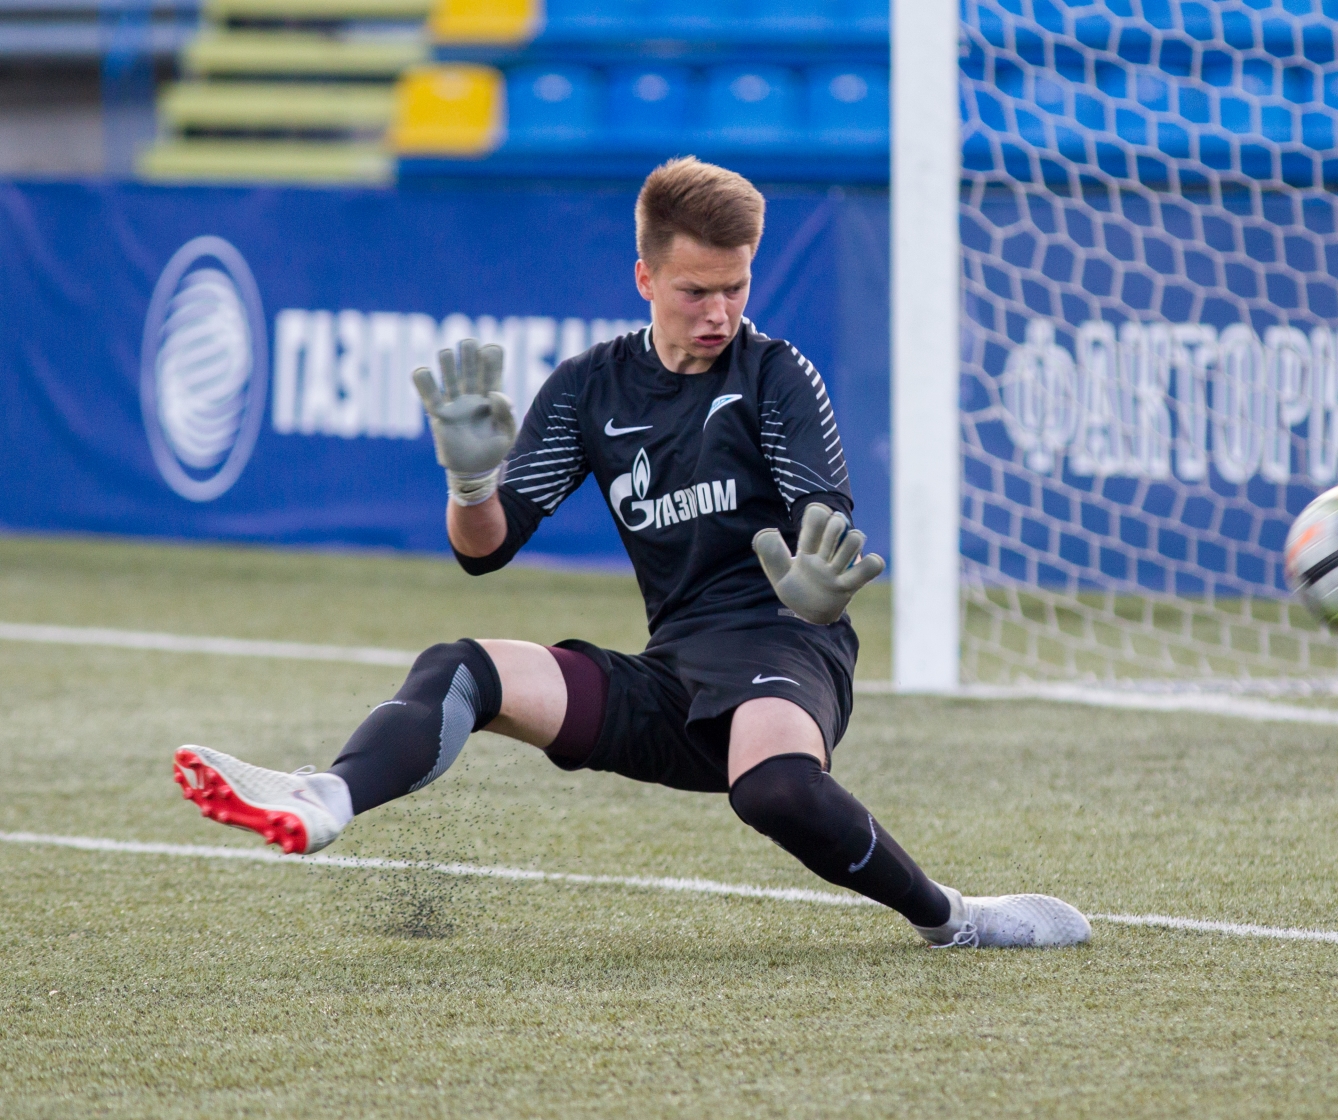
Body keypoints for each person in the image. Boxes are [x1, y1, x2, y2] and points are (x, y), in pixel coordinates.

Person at [173, 157, 1090, 949]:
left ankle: (953, 917)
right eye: (697, 290)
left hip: (784, 648)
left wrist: (818, 596)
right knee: (461, 667)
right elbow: (486, 552)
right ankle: (325, 799)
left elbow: (823, 521)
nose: (721, 311)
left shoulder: (776, 374)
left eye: (737, 286)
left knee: (772, 791)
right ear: (644, 277)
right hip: (674, 668)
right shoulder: (586, 388)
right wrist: (468, 485)